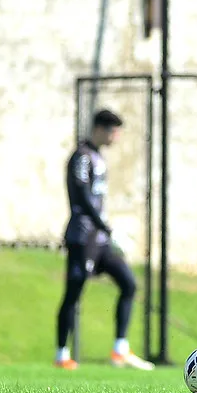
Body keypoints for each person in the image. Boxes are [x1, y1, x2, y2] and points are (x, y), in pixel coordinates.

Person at [55, 109, 154, 371]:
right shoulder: (82, 157)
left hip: (99, 239)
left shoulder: (98, 157)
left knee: (128, 283)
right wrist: (106, 227)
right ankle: (61, 354)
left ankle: (120, 349)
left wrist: (105, 232)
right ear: (101, 128)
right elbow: (82, 196)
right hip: (82, 236)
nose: (116, 137)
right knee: (73, 292)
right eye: (114, 131)